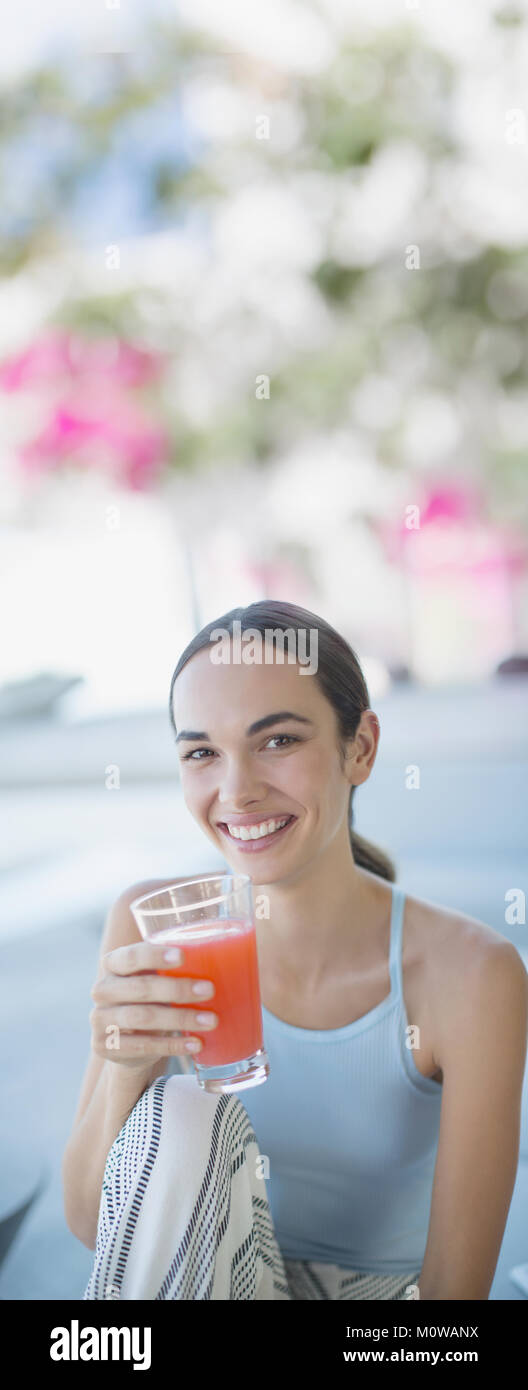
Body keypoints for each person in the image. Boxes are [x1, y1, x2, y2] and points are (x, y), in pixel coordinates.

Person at [62, 600, 528, 1300]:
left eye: (277, 741)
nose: (237, 790)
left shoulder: (471, 975)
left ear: (361, 749)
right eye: (201, 753)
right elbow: (99, 1230)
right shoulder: (149, 925)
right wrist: (126, 1071)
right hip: (206, 1279)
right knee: (183, 1111)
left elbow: (451, 1312)